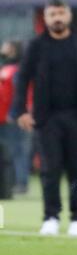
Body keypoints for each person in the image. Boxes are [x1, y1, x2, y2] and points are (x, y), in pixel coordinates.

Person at [12, 0, 77, 237]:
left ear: (68, 15)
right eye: (52, 14)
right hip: (46, 118)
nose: (57, 18)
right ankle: (50, 217)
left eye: (61, 13)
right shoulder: (36, 46)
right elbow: (22, 79)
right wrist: (20, 111)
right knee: (50, 170)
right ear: (46, 18)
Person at [0, 41, 32, 195]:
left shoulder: (16, 70)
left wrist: (14, 113)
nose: (2, 49)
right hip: (4, 117)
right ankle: (10, 182)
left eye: (5, 47)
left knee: (18, 151)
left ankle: (21, 183)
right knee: (10, 151)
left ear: (13, 50)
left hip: (12, 117)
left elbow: (18, 94)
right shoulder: (7, 68)